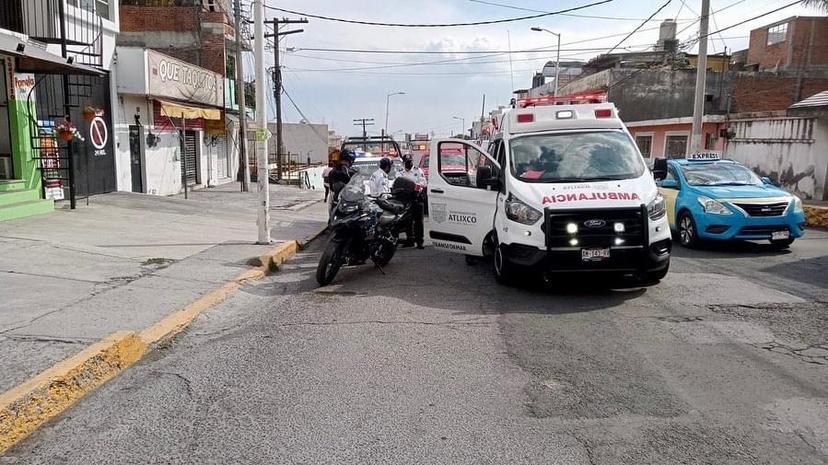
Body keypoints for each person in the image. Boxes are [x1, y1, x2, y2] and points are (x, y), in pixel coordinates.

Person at [399, 154, 425, 249]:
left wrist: (416, 186)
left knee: (419, 222)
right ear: (404, 163)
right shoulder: (401, 172)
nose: (409, 164)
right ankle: (410, 240)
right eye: (407, 162)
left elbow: (424, 183)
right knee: (407, 220)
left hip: (417, 198)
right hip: (406, 199)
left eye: (410, 161)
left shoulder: (418, 171)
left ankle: (420, 242)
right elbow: (397, 182)